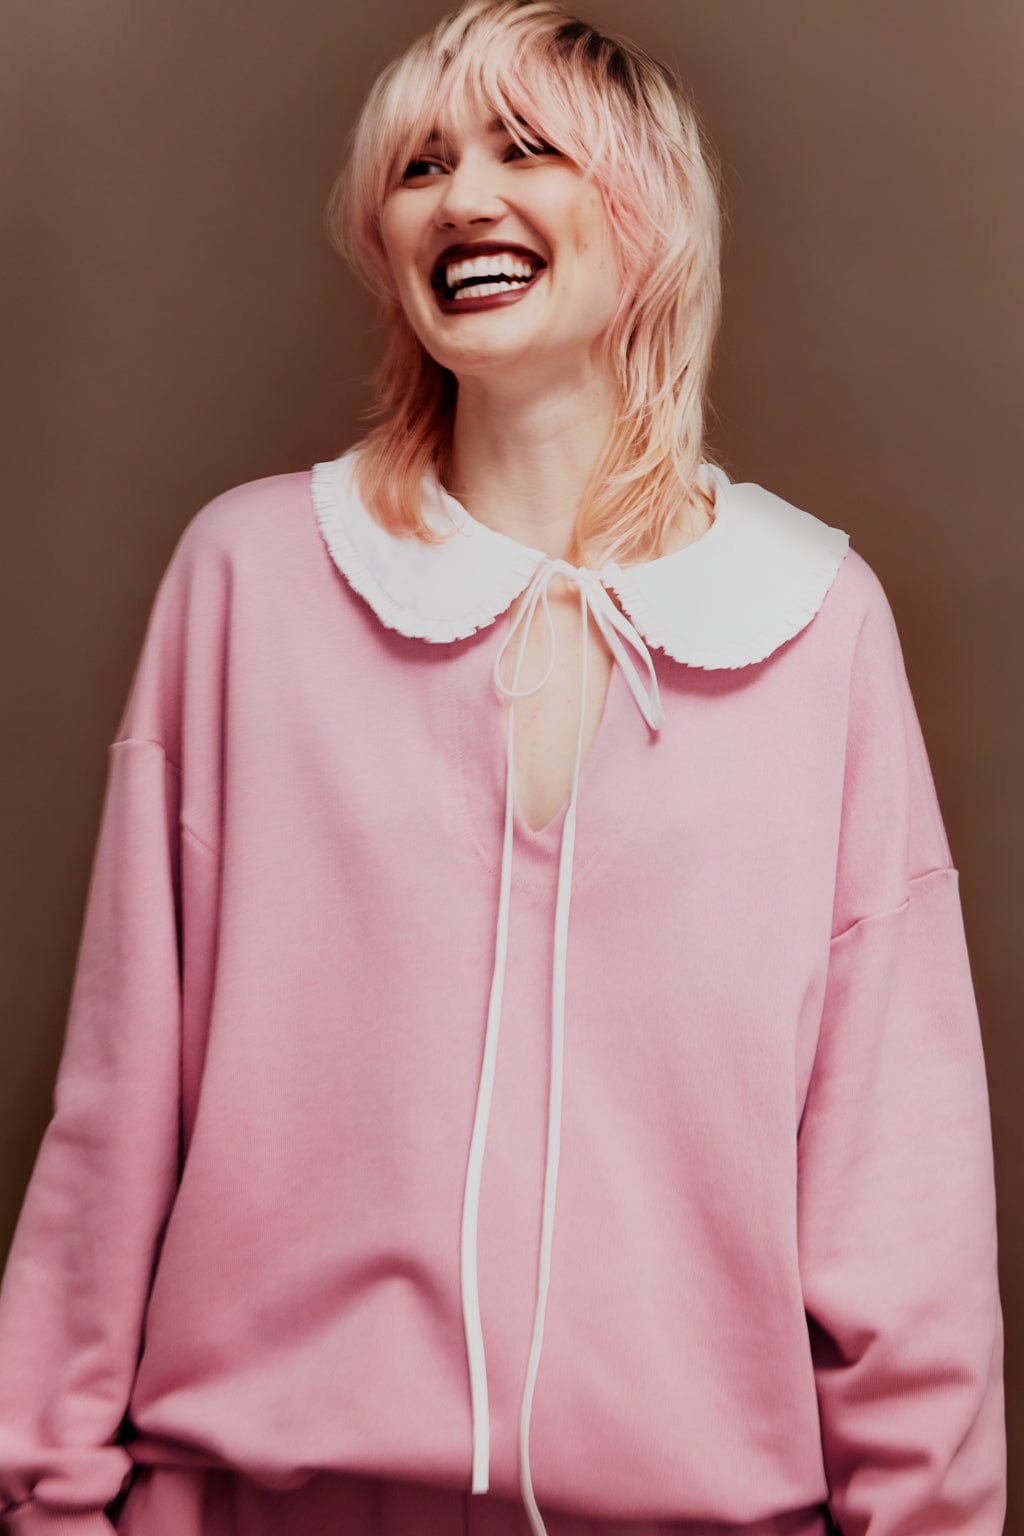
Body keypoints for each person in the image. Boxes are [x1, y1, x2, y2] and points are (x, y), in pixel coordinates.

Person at [0, 2, 1007, 1533]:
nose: (462, 197)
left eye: (525, 149)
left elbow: (901, 1176)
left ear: (648, 215)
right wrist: (51, 1499)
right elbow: (120, 1089)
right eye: (420, 166)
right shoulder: (248, 580)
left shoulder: (819, 627)